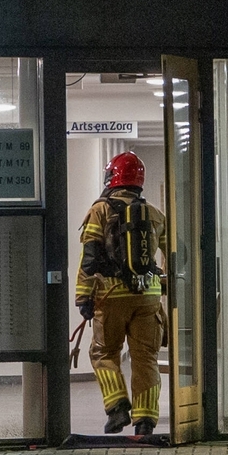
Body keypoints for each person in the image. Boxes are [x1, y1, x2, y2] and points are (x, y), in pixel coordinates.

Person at [75, 151, 167, 435]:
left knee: (104, 352)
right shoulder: (153, 212)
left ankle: (117, 409)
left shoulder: (99, 211)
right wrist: (163, 283)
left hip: (110, 295)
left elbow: (89, 258)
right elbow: (178, 251)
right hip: (147, 297)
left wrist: (83, 296)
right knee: (145, 357)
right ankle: (145, 420)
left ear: (111, 177)